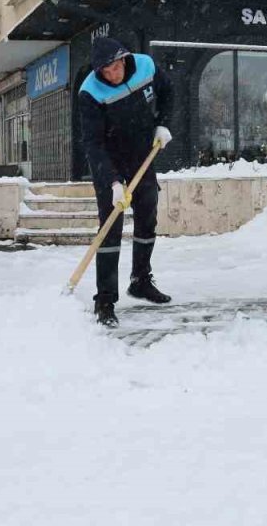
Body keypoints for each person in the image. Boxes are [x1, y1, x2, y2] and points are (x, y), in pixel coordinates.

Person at [79, 37, 174, 327]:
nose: (112, 75)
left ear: (124, 59)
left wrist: (163, 123)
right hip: (109, 161)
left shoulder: (145, 65)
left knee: (148, 217)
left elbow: (168, 92)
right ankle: (105, 300)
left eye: (115, 68)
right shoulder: (90, 92)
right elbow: (92, 144)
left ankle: (140, 280)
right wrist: (112, 183)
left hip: (142, 155)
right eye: (105, 72)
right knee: (110, 229)